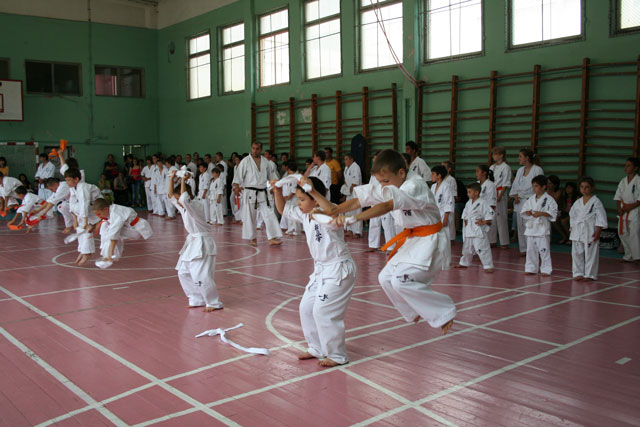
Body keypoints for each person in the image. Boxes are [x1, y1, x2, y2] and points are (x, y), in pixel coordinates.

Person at [329, 149, 455, 335]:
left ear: (401, 173)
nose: (382, 185)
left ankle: (444, 311)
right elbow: (359, 201)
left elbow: (387, 205)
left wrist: (353, 219)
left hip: (430, 241)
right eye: (380, 181)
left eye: (385, 181)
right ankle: (412, 311)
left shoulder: (414, 186)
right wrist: (334, 211)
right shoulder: (392, 183)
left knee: (400, 281)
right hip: (413, 240)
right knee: (385, 278)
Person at [272, 176, 356, 367]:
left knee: (323, 311)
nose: (298, 203)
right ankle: (316, 347)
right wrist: (277, 190)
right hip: (320, 270)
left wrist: (316, 199)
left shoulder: (330, 210)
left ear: (315, 198)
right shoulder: (304, 214)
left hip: (338, 269)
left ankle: (337, 355)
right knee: (306, 308)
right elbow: (283, 209)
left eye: (302, 199)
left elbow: (330, 211)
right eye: (298, 199)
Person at [169, 170, 223, 312]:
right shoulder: (184, 208)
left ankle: (213, 302)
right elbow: (171, 197)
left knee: (201, 274)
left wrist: (183, 180)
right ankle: (196, 298)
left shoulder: (195, 205)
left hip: (202, 242)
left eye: (179, 198)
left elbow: (183, 199)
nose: (178, 202)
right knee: (183, 272)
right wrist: (172, 178)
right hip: (193, 242)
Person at [232, 141, 282, 246]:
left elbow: (271, 177)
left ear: (261, 149)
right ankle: (253, 238)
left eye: (257, 149)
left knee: (269, 214)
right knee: (250, 216)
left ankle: (272, 237)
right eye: (253, 148)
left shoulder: (266, 162)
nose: (255, 151)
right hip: (250, 192)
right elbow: (238, 176)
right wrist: (236, 187)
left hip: (263, 192)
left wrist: (274, 187)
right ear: (251, 148)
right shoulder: (245, 161)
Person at [569, 177, 607, 281]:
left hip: (590, 230)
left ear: (592, 188)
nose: (584, 189)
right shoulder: (578, 202)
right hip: (578, 230)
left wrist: (598, 231)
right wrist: (572, 228)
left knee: (591, 254)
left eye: (587, 187)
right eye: (582, 187)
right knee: (576, 253)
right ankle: (578, 273)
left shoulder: (596, 201)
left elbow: (601, 217)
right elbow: (572, 216)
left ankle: (590, 275)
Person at [93, 198, 153, 263]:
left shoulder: (116, 214)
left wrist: (110, 254)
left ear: (105, 209)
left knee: (111, 232)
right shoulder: (112, 209)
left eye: (99, 214)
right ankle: (108, 254)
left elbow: (113, 235)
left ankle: (109, 255)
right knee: (106, 226)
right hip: (131, 228)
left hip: (136, 230)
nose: (98, 216)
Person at [520, 175, 558, 276]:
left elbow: (553, 213)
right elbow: (524, 210)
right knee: (530, 250)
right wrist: (528, 212)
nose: (534, 188)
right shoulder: (531, 199)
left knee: (544, 250)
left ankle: (546, 269)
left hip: (542, 228)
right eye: (533, 186)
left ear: (543, 187)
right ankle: (531, 268)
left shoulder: (549, 199)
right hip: (531, 228)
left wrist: (541, 213)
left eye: (536, 186)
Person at [509, 148, 544, 256]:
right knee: (520, 225)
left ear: (527, 158)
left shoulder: (537, 169)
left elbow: (540, 185)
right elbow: (515, 185)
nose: (518, 158)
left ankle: (533, 249)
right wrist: (515, 195)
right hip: (520, 201)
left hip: (531, 200)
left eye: (520, 156)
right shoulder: (520, 170)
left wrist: (535, 199)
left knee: (530, 225)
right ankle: (523, 248)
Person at [65, 168, 101, 265]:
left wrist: (85, 221)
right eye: (66, 180)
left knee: (85, 228)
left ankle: (87, 252)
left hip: (97, 208)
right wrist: (75, 220)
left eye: (69, 180)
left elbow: (84, 204)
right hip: (89, 211)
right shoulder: (73, 188)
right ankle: (83, 250)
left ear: (76, 179)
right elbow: (72, 204)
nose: (67, 183)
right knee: (79, 228)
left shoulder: (83, 187)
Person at [456, 182, 495, 273]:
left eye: (469, 192)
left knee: (482, 248)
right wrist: (466, 222)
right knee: (467, 248)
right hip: (469, 228)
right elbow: (465, 214)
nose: (468, 194)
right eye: (467, 192)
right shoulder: (468, 203)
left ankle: (488, 265)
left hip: (478, 229)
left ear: (476, 192)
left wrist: (484, 222)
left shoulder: (483, 202)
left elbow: (491, 213)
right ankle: (464, 262)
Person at [365, 152, 396, 252]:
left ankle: (391, 246)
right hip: (375, 200)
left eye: (376, 158)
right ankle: (373, 245)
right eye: (374, 159)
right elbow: (370, 186)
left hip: (384, 200)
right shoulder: (374, 172)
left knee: (387, 224)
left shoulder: (387, 170)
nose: (374, 160)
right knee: (374, 223)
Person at [614, 157, 640, 263]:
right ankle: (628, 255)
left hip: (635, 210)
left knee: (634, 234)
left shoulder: (638, 180)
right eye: (625, 165)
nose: (626, 168)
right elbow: (618, 196)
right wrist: (619, 208)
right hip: (624, 210)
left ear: (635, 168)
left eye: (629, 166)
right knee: (623, 233)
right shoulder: (623, 181)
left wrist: (631, 206)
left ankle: (637, 257)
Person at [430, 165, 454, 268]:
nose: (431, 176)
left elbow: (449, 202)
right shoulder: (433, 187)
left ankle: (446, 262)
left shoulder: (446, 186)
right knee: (434, 239)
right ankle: (437, 261)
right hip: (435, 214)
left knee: (445, 239)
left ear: (439, 175)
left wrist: (446, 218)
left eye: (433, 174)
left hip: (444, 214)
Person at [489, 147, 511, 248]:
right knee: (492, 217)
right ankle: (492, 240)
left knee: (501, 218)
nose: (493, 156)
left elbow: (506, 184)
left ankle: (504, 242)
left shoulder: (506, 167)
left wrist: (500, 196)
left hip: (500, 192)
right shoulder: (492, 167)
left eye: (495, 154)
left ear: (501, 155)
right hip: (491, 193)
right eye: (493, 154)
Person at [278, 160, 302, 236]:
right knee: (289, 213)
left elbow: (294, 189)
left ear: (288, 169)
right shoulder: (288, 176)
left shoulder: (297, 177)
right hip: (287, 198)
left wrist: (288, 197)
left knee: (295, 214)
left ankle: (296, 230)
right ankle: (290, 229)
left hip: (294, 198)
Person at [342, 153, 362, 238]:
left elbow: (355, 182)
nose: (345, 161)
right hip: (349, 193)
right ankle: (350, 230)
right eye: (344, 159)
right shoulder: (346, 168)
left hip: (356, 193)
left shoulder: (356, 167)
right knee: (349, 211)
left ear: (351, 159)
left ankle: (357, 232)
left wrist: (348, 191)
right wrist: (345, 192)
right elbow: (346, 181)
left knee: (356, 212)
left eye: (346, 159)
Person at [441, 161, 458, 241]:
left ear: (449, 169)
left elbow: (454, 195)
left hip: (449, 204)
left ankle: (451, 240)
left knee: (449, 222)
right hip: (440, 205)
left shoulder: (451, 180)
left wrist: (449, 205)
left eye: (444, 167)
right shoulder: (440, 180)